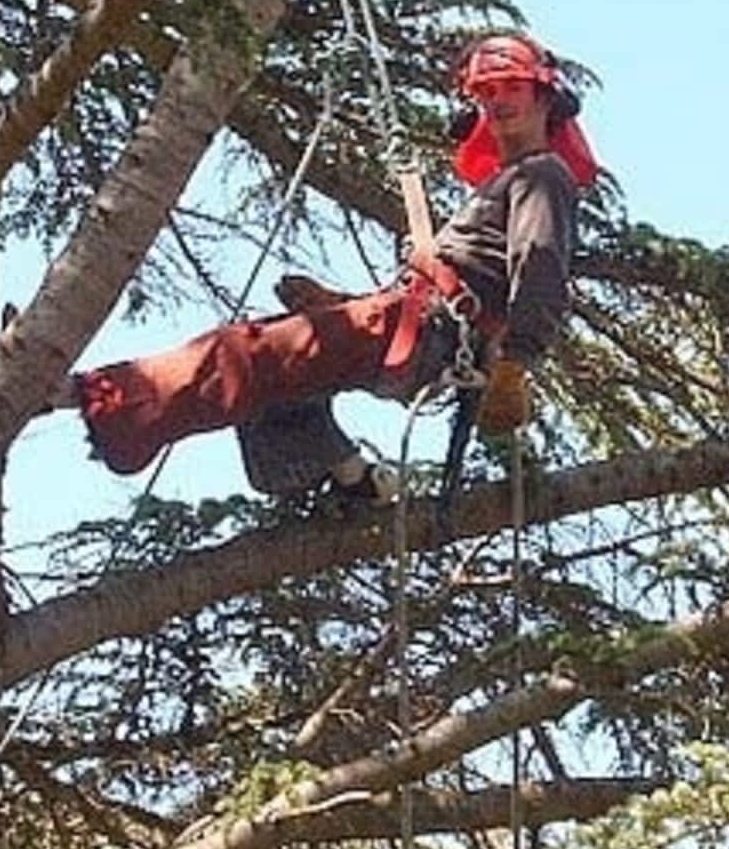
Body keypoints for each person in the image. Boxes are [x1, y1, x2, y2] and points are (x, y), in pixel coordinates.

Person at [71, 32, 600, 500]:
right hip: (418, 325)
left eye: (510, 87)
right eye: (485, 92)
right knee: (274, 378)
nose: (497, 101)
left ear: (543, 95)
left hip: (433, 334)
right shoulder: (505, 182)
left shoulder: (542, 174)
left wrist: (515, 362)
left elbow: (539, 263)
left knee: (241, 355)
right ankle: (351, 479)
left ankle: (96, 399)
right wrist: (338, 306)